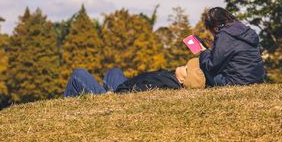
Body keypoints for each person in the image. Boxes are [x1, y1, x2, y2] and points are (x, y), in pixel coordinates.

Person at [63, 58, 205, 97]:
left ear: (182, 80)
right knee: (114, 71)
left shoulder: (167, 84)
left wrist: (112, 96)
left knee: (78, 74)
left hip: (119, 96)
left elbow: (141, 92)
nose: (183, 66)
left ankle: (68, 110)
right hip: (125, 86)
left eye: (186, 69)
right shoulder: (170, 76)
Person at [199, 7, 265, 87]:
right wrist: (216, 47)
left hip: (238, 82)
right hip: (258, 79)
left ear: (214, 27)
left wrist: (204, 51)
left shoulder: (224, 35)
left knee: (201, 68)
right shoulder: (245, 30)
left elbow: (212, 66)